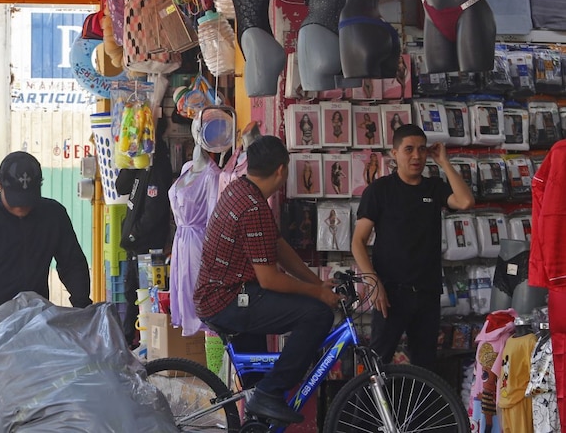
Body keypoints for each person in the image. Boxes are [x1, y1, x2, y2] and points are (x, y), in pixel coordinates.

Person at [0, 151, 92, 433]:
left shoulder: (53, 214)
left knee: (37, 406)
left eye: (29, 199)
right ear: (0, 186)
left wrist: (82, 305)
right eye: (15, 200)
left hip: (35, 329)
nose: (22, 208)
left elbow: (72, 262)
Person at [194, 136, 338, 425]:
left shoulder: (242, 190)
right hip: (229, 300)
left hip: (227, 295)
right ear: (282, 170)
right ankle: (271, 392)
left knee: (255, 396)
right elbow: (270, 279)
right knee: (317, 315)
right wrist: (318, 295)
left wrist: (317, 284)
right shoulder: (254, 207)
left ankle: (258, 410)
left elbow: (279, 247)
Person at [352, 124, 475, 368]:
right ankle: (364, 408)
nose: (416, 156)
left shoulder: (433, 187)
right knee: (377, 364)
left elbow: (465, 201)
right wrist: (373, 282)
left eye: (421, 150)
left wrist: (444, 162)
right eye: (408, 149)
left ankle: (419, 408)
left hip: (427, 293)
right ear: (394, 153)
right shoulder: (380, 190)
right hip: (390, 293)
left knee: (425, 365)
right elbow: (357, 242)